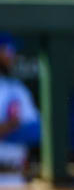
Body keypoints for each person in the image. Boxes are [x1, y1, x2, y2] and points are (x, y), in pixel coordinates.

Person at [0, 33, 40, 186]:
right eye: (8, 50)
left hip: (13, 173)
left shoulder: (16, 89)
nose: (12, 56)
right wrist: (9, 126)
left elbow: (36, 131)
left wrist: (8, 131)